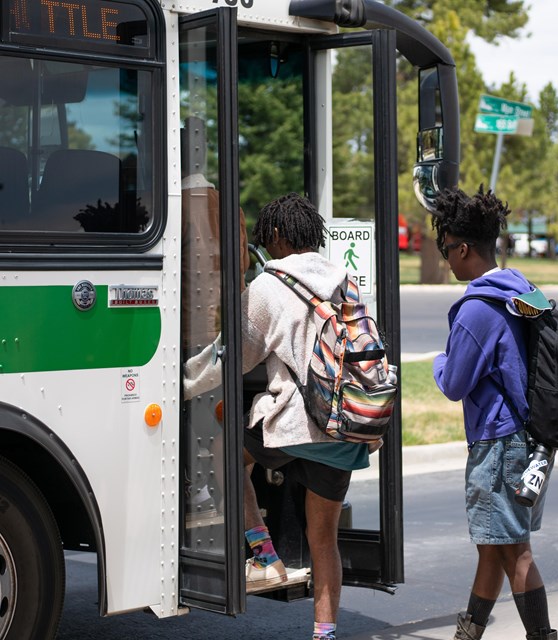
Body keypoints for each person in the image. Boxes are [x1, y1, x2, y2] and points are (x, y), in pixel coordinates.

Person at [183, 192, 370, 640]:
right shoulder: (346, 280)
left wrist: (182, 381)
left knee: (224, 455)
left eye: (268, 236)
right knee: (323, 540)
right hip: (343, 428)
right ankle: (324, 635)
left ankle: (265, 557)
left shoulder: (268, 285)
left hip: (292, 424)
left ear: (280, 236)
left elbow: (233, 358)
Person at [431, 186, 557, 640]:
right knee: (494, 548)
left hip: (499, 444)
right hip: (530, 441)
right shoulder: (523, 291)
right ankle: (469, 634)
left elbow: (453, 383)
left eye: (446, 249)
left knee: (514, 553)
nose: (446, 259)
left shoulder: (477, 310)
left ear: (463, 248)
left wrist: (437, 360)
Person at [181, 115, 250, 523]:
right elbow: (240, 266)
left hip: (185, 331)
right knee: (216, 417)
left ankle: (196, 488)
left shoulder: (165, 207)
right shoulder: (228, 206)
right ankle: (214, 490)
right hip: (224, 331)